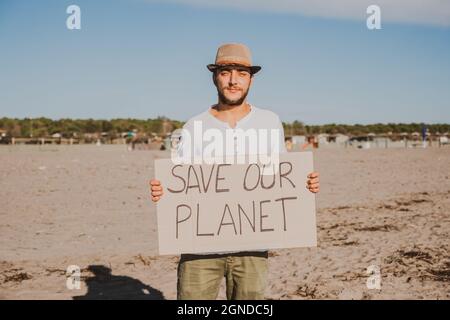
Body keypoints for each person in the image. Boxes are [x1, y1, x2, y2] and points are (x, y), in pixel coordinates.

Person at [149, 43, 320, 300]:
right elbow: (180, 183)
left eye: (241, 73)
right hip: (200, 249)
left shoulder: (269, 122)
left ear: (251, 79)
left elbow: (280, 179)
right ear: (214, 77)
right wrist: (162, 191)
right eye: (226, 72)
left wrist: (305, 184)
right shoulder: (194, 126)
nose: (233, 81)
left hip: (252, 247)